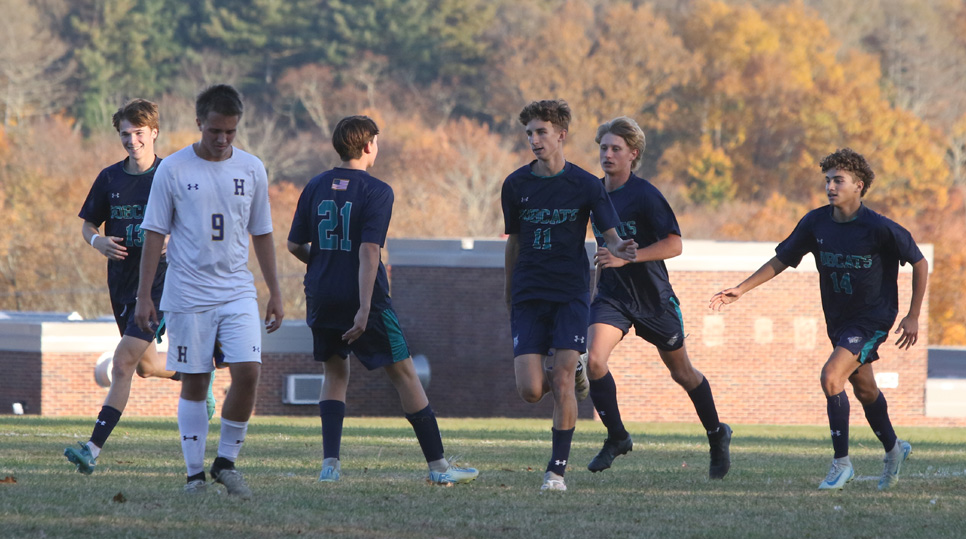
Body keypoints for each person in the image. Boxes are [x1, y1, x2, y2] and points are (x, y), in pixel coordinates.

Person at [709, 148, 927, 491]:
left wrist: (913, 315)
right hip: (839, 321)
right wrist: (742, 288)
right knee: (865, 388)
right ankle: (894, 449)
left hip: (872, 319)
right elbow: (782, 259)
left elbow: (920, 262)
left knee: (830, 377)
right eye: (827, 180)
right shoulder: (815, 223)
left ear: (859, 185)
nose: (830, 186)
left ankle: (842, 464)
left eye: (838, 180)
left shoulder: (879, 228)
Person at [287, 115, 478, 485]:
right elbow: (370, 251)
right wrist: (362, 307)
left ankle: (330, 466)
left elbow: (295, 244)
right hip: (366, 300)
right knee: (405, 374)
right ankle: (439, 468)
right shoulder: (378, 190)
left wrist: (326, 263)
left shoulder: (314, 185)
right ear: (368, 145)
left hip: (321, 295)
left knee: (334, 372)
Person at [135, 84, 284, 498]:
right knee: (195, 382)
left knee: (249, 372)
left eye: (231, 132)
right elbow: (153, 234)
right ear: (199, 123)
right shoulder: (174, 169)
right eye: (215, 131)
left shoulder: (252, 168)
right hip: (186, 292)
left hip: (238, 290)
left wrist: (275, 291)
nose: (222, 140)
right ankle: (193, 476)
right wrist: (144, 295)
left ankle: (226, 463)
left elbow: (263, 233)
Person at [64, 99, 205, 475]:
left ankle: (92, 448)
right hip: (121, 281)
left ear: (154, 132)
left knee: (123, 362)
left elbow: (197, 221)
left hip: (160, 281)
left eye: (139, 133)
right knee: (144, 366)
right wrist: (98, 243)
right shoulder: (109, 178)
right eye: (125, 134)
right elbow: (87, 226)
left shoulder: (172, 174)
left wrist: (179, 239)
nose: (132, 141)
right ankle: (193, 378)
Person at [585, 117, 732, 479]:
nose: (607, 154)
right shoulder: (592, 194)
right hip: (613, 297)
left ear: (633, 154)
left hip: (654, 299)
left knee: (682, 373)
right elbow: (601, 250)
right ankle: (617, 436)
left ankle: (717, 434)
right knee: (594, 361)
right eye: (603, 147)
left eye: (616, 148)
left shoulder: (646, 195)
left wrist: (628, 256)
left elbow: (675, 244)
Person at [502, 99, 636, 492]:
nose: (534, 140)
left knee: (561, 378)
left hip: (570, 293)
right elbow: (514, 241)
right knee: (530, 390)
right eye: (529, 133)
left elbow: (610, 235)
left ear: (561, 135)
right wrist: (508, 289)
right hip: (529, 293)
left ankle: (556, 472)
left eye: (541, 132)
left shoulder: (585, 185)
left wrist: (623, 249)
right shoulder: (515, 185)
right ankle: (572, 371)